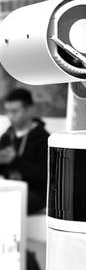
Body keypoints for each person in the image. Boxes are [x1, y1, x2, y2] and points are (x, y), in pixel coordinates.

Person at [0, 87, 49, 215]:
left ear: (29, 109)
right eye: (7, 111)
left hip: (36, 193)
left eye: (15, 111)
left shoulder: (43, 138)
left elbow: (45, 175)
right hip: (11, 188)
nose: (10, 116)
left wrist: (15, 160)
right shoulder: (7, 136)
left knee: (8, 204)